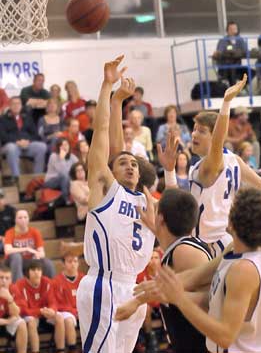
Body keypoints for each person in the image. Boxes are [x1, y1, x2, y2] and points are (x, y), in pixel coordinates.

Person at [76, 56, 155, 353]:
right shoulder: (106, 190)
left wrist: (121, 100)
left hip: (133, 289)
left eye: (134, 163)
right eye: (123, 163)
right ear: (110, 170)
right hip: (103, 285)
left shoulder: (144, 200)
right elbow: (103, 136)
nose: (131, 166)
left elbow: (120, 148)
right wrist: (108, 87)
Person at [160, 76, 261, 257]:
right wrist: (169, 170)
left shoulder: (211, 164)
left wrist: (226, 103)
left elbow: (217, 142)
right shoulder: (234, 160)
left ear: (215, 135)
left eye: (201, 131)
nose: (194, 134)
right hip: (225, 240)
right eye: (194, 129)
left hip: (210, 244)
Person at [154, 187, 261, 353]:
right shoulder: (237, 253)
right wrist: (162, 290)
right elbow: (211, 292)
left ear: (232, 221)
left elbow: (225, 336)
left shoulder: (244, 270)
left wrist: (181, 300)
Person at [115, 188, 212, 353]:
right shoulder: (179, 246)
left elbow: (210, 302)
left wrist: (141, 299)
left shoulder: (185, 252)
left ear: (160, 218)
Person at [14, 259, 65, 353]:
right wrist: (40, 311)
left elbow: (53, 301)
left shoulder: (47, 282)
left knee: (59, 317)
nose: (37, 273)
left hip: (44, 314)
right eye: (33, 270)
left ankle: (60, 350)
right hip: (29, 315)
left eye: (39, 270)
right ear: (27, 272)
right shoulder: (19, 285)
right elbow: (23, 310)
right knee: (32, 321)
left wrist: (52, 310)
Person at [0, 96, 47, 182]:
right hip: (11, 145)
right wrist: (17, 141)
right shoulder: (3, 119)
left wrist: (27, 141)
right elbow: (3, 136)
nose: (16, 106)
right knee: (11, 147)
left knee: (42, 146)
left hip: (26, 144)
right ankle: (17, 179)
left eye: (18, 103)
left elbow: (35, 134)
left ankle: (37, 179)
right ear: (9, 106)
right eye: (13, 104)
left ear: (21, 106)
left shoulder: (27, 117)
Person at [4, 209, 55, 282]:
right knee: (16, 256)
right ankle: (18, 286)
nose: (23, 220)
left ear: (28, 219)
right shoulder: (10, 232)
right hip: (13, 261)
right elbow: (7, 250)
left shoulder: (35, 232)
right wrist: (26, 249)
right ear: (15, 220)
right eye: (20, 218)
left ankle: (51, 287)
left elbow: (42, 253)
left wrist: (37, 255)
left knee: (47, 263)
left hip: (30, 260)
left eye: (25, 217)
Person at [53, 253, 84, 352]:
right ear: (63, 264)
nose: (73, 264)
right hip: (65, 312)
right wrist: (74, 312)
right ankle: (71, 349)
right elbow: (58, 304)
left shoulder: (84, 279)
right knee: (69, 320)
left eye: (75, 261)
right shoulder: (57, 281)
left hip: (82, 312)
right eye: (70, 261)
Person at [212, 21, 252, 85]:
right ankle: (233, 92)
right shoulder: (223, 40)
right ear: (227, 31)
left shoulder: (240, 40)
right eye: (231, 29)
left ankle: (240, 88)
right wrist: (217, 53)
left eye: (235, 29)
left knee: (251, 72)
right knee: (232, 69)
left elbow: (246, 51)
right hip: (225, 67)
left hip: (237, 66)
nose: (234, 31)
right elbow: (218, 52)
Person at [0, 264, 27, 353]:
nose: (4, 280)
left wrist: (9, 299)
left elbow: (17, 313)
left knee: (21, 323)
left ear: (11, 280)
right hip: (4, 320)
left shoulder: (13, 288)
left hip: (6, 319)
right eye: (1, 277)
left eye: (7, 278)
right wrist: (8, 321)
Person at [44, 138, 78, 205]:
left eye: (66, 145)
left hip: (67, 181)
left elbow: (79, 168)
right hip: (51, 181)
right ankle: (66, 199)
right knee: (64, 177)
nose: (64, 147)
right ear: (58, 147)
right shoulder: (53, 157)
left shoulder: (72, 157)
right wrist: (62, 159)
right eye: (61, 145)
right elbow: (63, 172)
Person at [0, 189, 16, 254]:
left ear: (5, 199)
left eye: (1, 198)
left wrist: (8, 238)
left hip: (11, 239)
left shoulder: (12, 211)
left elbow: (19, 228)